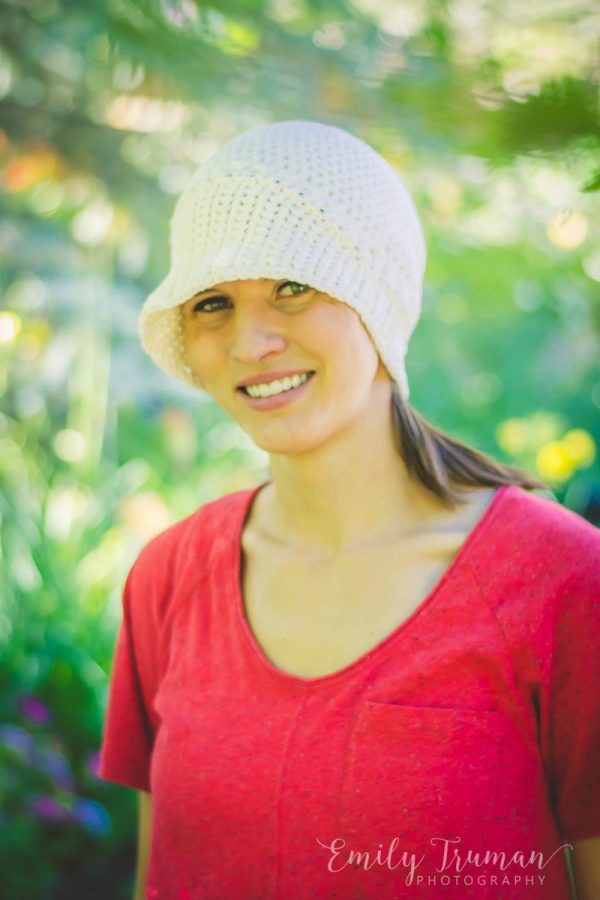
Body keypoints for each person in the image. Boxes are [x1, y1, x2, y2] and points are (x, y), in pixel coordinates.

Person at [98, 120, 600, 900]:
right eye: (214, 303)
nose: (251, 341)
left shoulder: (561, 582)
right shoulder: (168, 578)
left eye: (293, 286)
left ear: (378, 294)